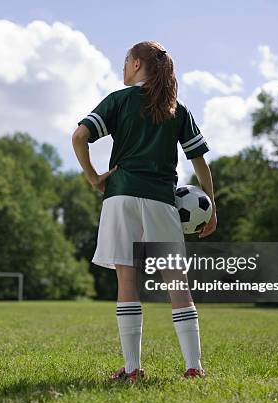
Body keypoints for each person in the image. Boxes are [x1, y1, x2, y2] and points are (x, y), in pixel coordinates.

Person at [71, 41, 217, 383]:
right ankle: (193, 368)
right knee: (177, 284)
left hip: (120, 197)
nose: (122, 67)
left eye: (125, 61)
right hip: (162, 202)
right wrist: (210, 207)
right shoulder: (176, 109)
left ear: (136, 63)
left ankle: (133, 370)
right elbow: (200, 161)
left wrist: (94, 178)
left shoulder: (119, 100)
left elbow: (79, 136)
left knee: (127, 280)